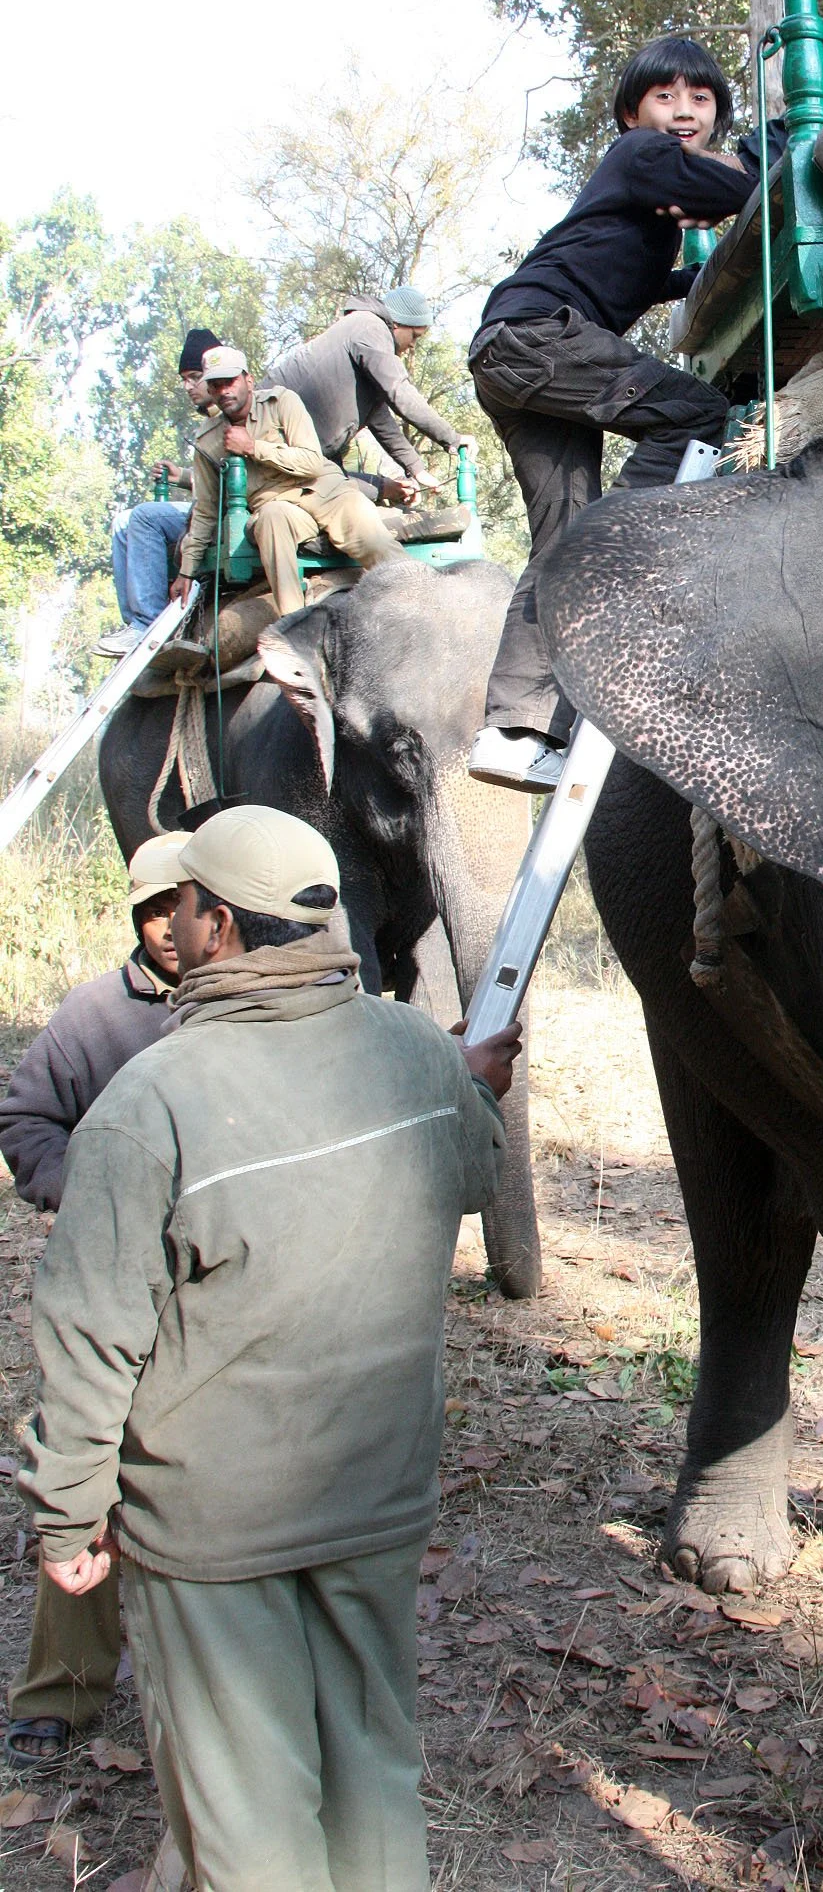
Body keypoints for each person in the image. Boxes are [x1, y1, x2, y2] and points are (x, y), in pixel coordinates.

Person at [17, 804, 520, 1890]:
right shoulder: (414, 1050)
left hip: (213, 1530)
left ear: (220, 926)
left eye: (187, 903)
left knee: (249, 1815)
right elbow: (478, 1175)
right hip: (378, 1496)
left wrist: (69, 1511)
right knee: (374, 1777)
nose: (173, 924)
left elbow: (90, 1334)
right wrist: (470, 1090)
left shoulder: (150, 1103)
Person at [466, 36, 753, 792]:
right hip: (539, 338)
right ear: (631, 115)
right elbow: (731, 189)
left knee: (559, 540)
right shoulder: (640, 155)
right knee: (696, 413)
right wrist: (749, 169)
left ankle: (512, 731)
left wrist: (694, 268)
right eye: (665, 96)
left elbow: (641, 278)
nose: (684, 111)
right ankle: (621, 547)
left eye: (701, 99)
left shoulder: (642, 206)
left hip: (510, 352)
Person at [1, 833, 185, 1769]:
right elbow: (25, 1117)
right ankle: (61, 1690)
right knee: (84, 1467)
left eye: (180, 907)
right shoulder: (95, 1016)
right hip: (113, 1283)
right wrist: (87, 1191)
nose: (168, 928)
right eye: (150, 911)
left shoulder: (256, 1014)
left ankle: (210, 1694)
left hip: (218, 1289)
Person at [171, 345, 403, 619]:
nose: (224, 391)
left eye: (229, 381)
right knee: (271, 518)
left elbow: (312, 462)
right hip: (278, 506)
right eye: (215, 385)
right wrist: (186, 571)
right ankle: (294, 624)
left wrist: (253, 447)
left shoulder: (281, 402)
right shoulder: (207, 440)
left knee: (376, 545)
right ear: (210, 391)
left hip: (326, 492)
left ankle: (424, 597)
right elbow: (206, 510)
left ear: (248, 380)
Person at [266, 286, 467, 508]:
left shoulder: (364, 334)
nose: (412, 345)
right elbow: (399, 391)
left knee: (347, 494)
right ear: (397, 323)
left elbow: (381, 419)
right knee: (343, 499)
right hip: (274, 443)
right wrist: (453, 439)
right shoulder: (371, 327)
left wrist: (417, 469)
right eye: (414, 336)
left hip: (303, 454)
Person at [95, 330, 220, 658]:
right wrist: (183, 477)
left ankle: (146, 622)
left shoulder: (231, 413)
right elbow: (213, 476)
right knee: (123, 522)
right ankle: (133, 623)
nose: (188, 386)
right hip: (205, 505)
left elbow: (235, 477)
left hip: (219, 514)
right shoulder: (209, 420)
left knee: (145, 517)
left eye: (194, 377)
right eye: (184, 379)